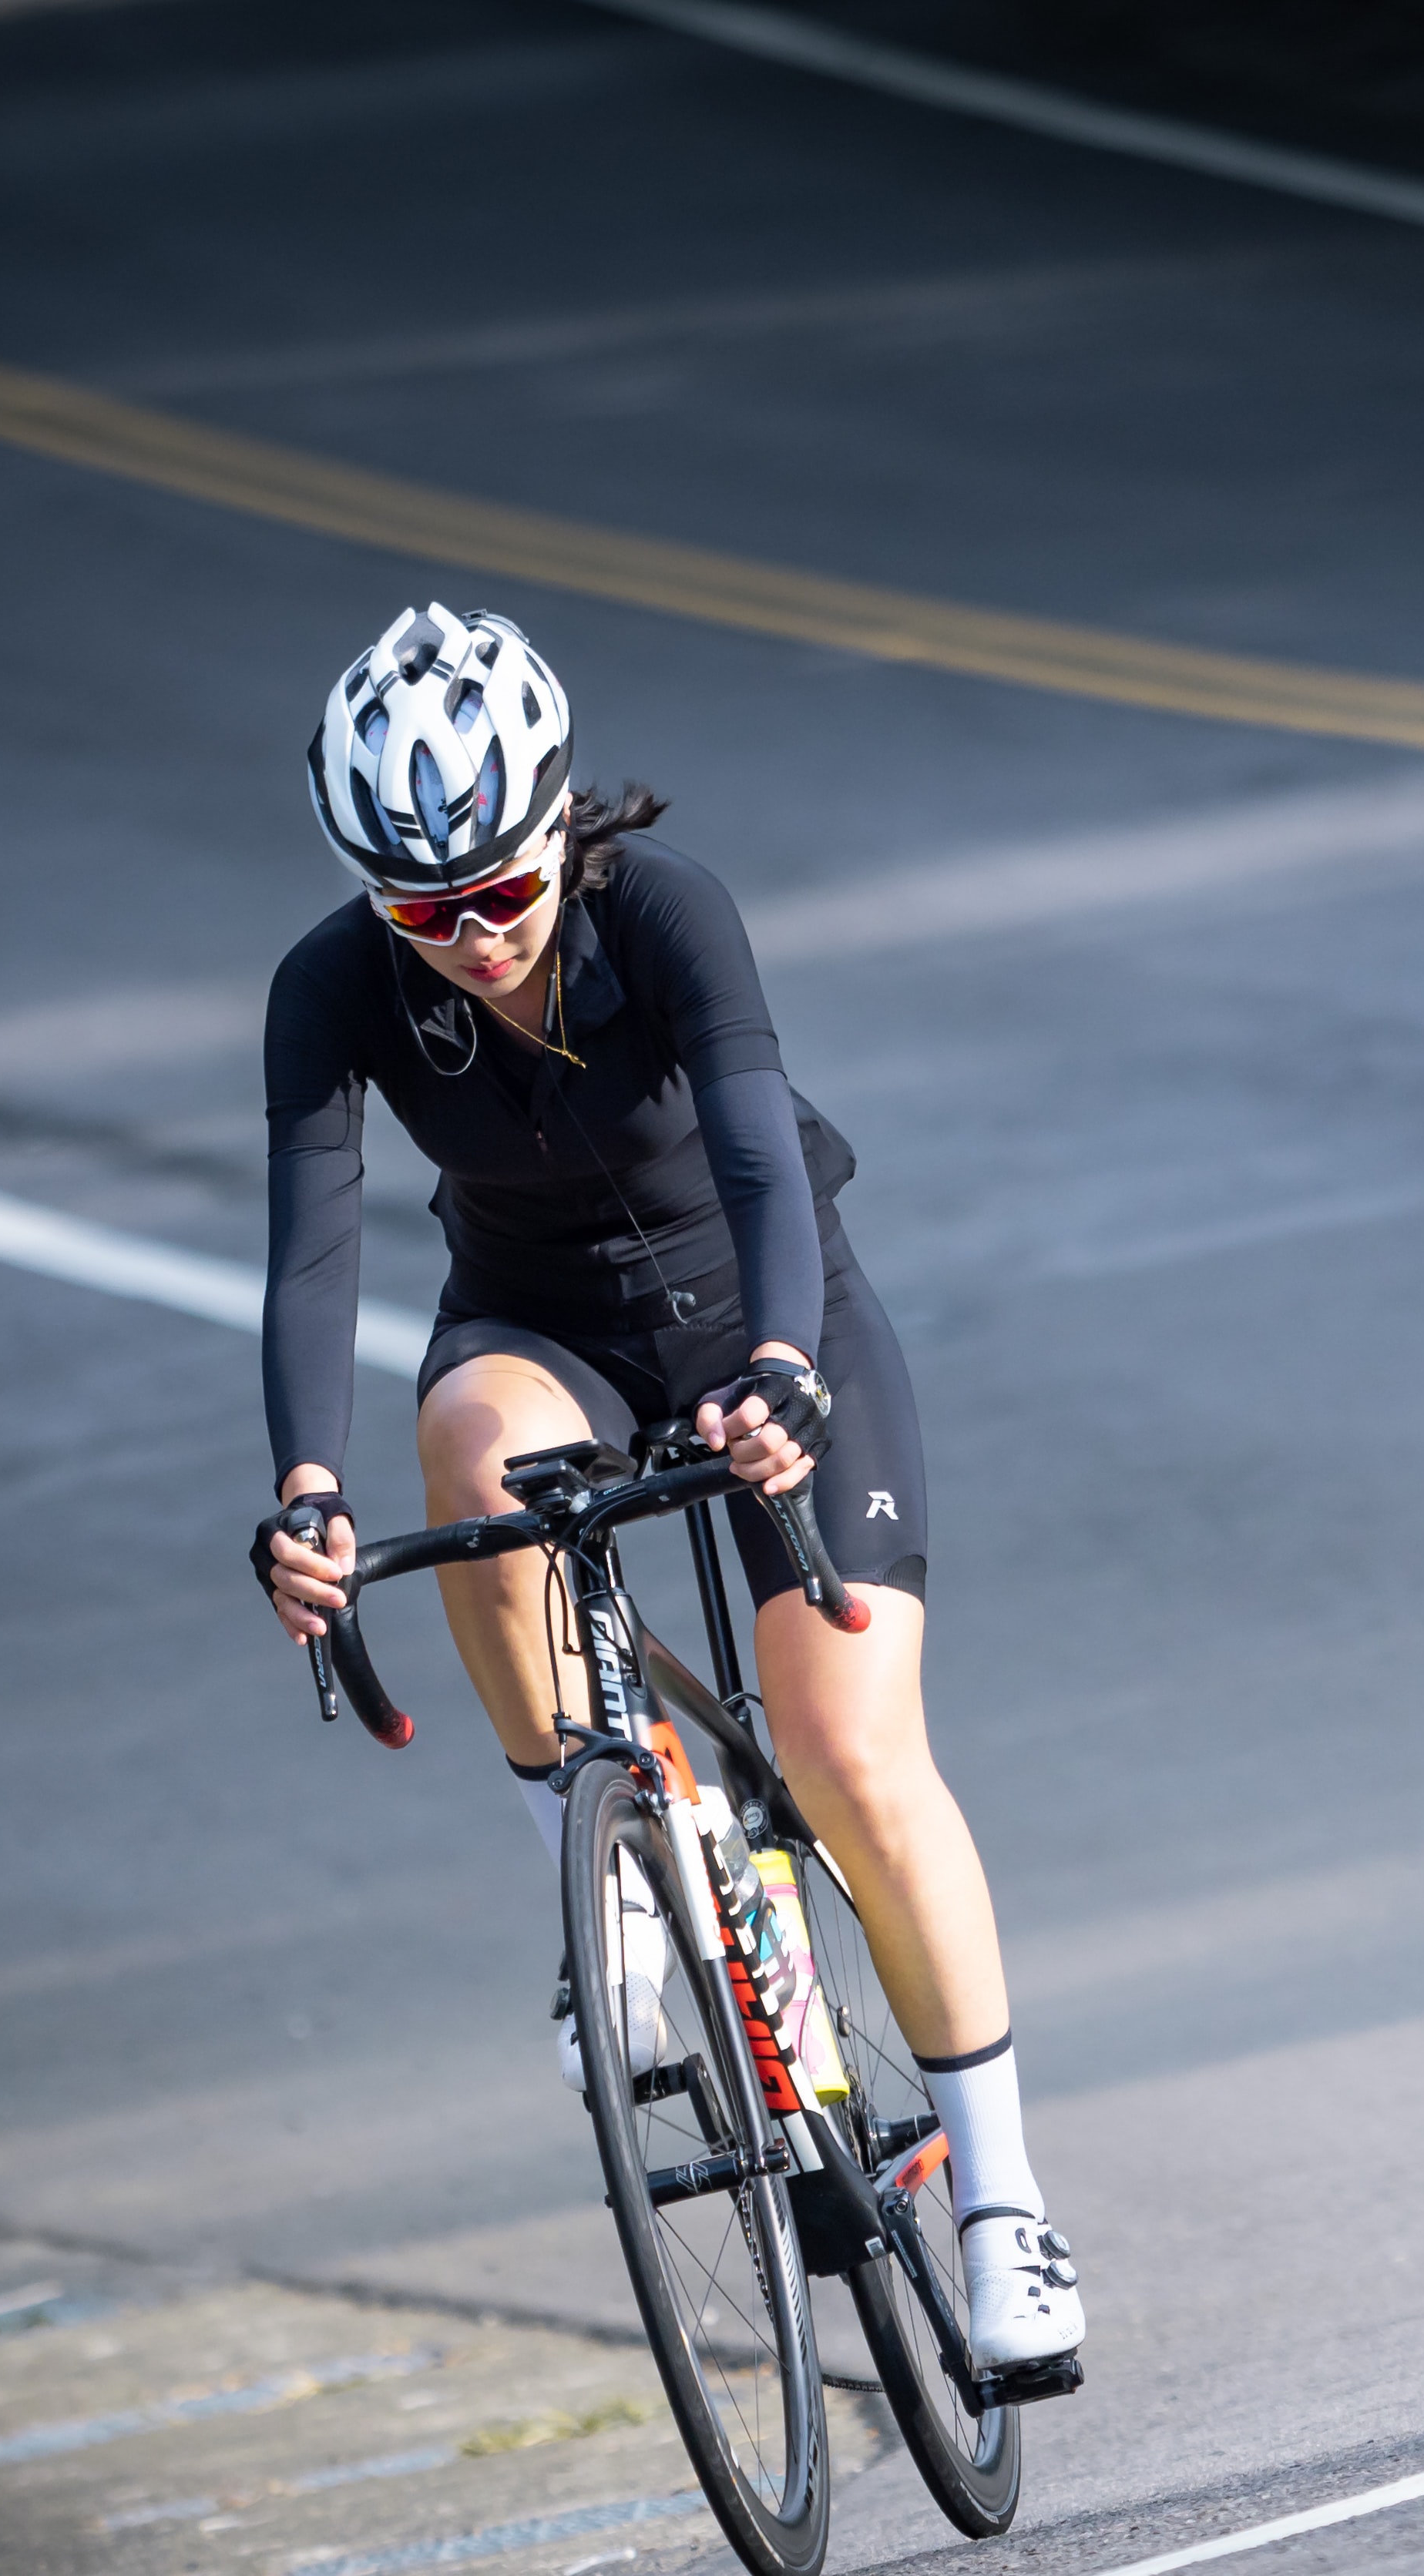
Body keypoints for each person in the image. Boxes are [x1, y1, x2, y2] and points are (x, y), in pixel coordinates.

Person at [249, 602, 1082, 2369]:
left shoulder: (669, 911)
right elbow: (312, 1258)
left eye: (497, 887)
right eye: (422, 910)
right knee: (470, 1456)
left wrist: (781, 1368)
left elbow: (766, 1158)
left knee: (854, 1751)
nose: (470, 936)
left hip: (767, 1316)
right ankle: (605, 1873)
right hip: (542, 1331)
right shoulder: (331, 990)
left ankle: (1005, 2207)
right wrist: (304, 1490)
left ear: (560, 819)